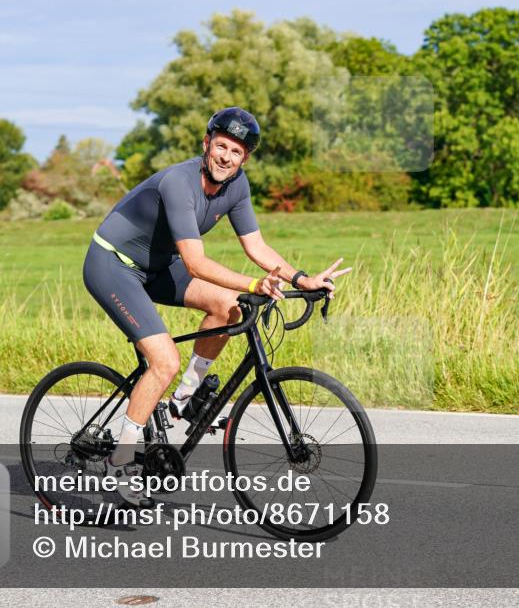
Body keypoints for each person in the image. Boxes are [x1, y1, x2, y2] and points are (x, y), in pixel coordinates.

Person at [83, 107, 351, 506]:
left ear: (246, 159)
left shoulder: (236, 187)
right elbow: (195, 263)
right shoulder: (179, 182)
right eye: (221, 146)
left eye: (237, 152)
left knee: (231, 307)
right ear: (206, 143)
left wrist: (300, 278)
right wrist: (255, 283)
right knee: (163, 361)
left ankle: (181, 401)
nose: (226, 157)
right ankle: (119, 464)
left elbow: (256, 246)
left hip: (158, 265)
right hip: (113, 264)